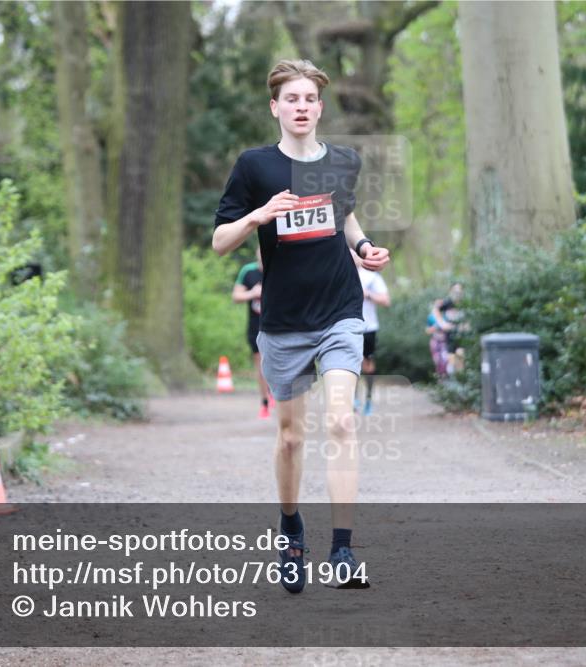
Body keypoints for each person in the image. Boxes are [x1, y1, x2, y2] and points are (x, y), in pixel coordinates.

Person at [212, 59, 390, 593]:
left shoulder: (343, 162)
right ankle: (291, 528)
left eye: (310, 99)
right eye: (291, 98)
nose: (301, 107)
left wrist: (363, 247)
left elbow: (345, 215)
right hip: (285, 319)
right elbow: (220, 241)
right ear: (275, 107)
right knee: (291, 437)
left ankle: (342, 549)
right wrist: (258, 215)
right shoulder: (255, 166)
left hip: (340, 308)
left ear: (320, 107)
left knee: (341, 422)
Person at [232, 246, 270, 418]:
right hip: (256, 327)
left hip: (280, 326)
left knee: (277, 365)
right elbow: (236, 296)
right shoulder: (248, 271)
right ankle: (265, 402)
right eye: (259, 252)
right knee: (261, 365)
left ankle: (275, 394)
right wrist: (252, 293)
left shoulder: (279, 267)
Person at [352, 249, 390, 415]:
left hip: (368, 327)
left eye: (354, 253)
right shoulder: (341, 274)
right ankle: (353, 399)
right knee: (350, 364)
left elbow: (386, 300)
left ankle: (368, 400)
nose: (351, 257)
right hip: (348, 327)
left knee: (367, 364)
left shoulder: (371, 276)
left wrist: (367, 294)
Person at [428, 283, 465, 377]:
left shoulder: (465, 303)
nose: (457, 292)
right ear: (451, 291)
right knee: (451, 360)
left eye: (459, 290)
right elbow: (435, 310)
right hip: (450, 336)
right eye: (455, 290)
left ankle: (461, 379)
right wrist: (442, 323)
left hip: (462, 337)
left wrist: (465, 325)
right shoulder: (448, 303)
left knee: (460, 357)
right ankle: (452, 379)